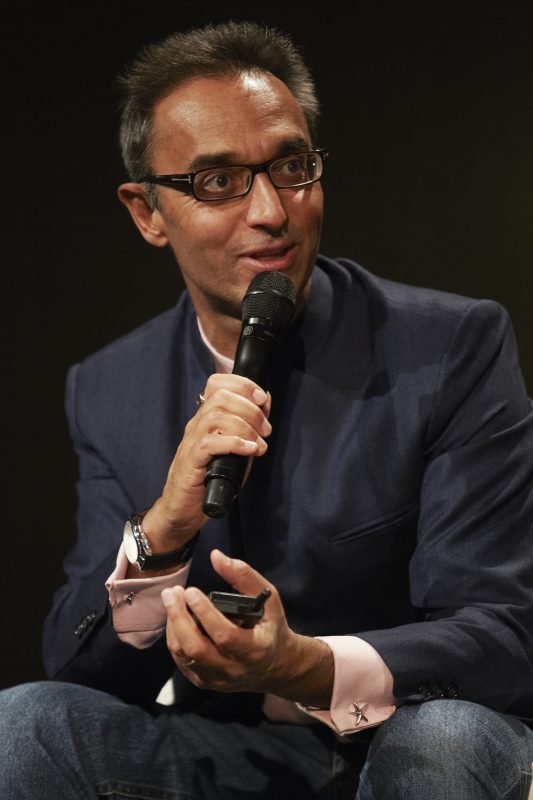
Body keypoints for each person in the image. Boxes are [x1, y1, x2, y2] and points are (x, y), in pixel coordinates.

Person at [2, 20, 533, 800]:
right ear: (147, 213)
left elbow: (505, 631)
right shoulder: (109, 387)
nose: (271, 212)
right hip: (237, 749)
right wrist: (160, 535)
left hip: (414, 726)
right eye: (218, 181)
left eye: (291, 166)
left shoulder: (448, 345)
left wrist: (303, 665)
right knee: (22, 726)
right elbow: (83, 673)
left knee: (443, 740)